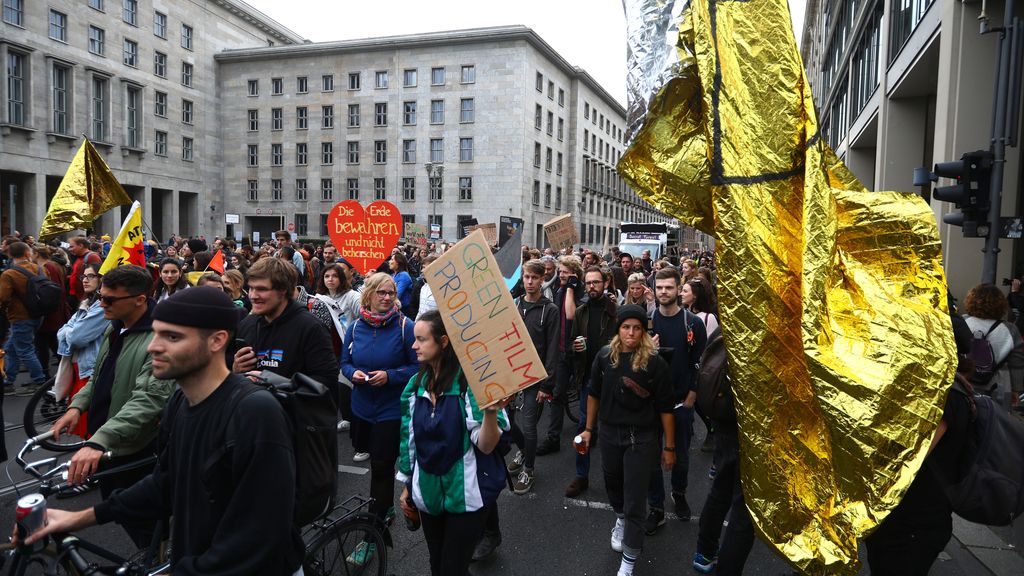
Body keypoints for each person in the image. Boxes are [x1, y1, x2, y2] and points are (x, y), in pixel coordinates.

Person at [26, 286, 304, 574]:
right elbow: (166, 483)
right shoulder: (180, 401)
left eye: (172, 336)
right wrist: (80, 519)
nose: (153, 346)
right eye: (156, 333)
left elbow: (262, 534)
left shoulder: (255, 412)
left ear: (217, 341)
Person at [49, 265, 175, 546]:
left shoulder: (159, 337)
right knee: (119, 509)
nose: (101, 303)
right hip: (106, 443)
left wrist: (98, 441)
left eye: (109, 299)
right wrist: (76, 407)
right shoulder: (114, 326)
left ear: (139, 299)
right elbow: (99, 375)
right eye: (101, 297)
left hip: (134, 448)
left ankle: (161, 560)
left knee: (144, 522)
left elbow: (149, 399)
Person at [397, 310, 510, 576]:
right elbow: (409, 441)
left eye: (421, 339)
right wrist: (407, 485)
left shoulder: (470, 383)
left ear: (444, 342)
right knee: (437, 564)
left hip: (467, 495)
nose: (414, 345)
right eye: (415, 339)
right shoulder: (415, 386)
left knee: (452, 567)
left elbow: (486, 445)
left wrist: (491, 412)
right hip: (428, 493)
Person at [861, 313, 973, 575]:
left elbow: (910, 458)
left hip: (916, 524)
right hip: (902, 520)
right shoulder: (932, 388)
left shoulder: (946, 396)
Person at [577, 305, 675, 576]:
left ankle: (628, 563)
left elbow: (667, 408)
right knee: (613, 485)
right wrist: (588, 429)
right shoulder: (605, 356)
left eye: (636, 327)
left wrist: (669, 447)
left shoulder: (655, 363)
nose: (631, 332)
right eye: (625, 327)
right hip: (609, 434)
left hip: (641, 438)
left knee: (635, 500)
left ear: (643, 331)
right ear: (618, 329)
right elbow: (593, 394)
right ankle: (619, 518)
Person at [341, 272, 418, 542]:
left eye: (391, 294)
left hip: (392, 410)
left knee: (382, 467)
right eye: (381, 293)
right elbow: (345, 362)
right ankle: (383, 509)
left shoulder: (405, 327)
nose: (387, 298)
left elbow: (418, 366)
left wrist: (390, 376)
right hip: (362, 408)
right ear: (369, 295)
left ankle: (375, 531)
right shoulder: (354, 327)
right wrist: (354, 374)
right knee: (376, 464)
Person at [645, 268, 707, 532]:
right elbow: (633, 363)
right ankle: (656, 507)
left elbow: (701, 362)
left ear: (678, 288)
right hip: (650, 402)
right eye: (659, 288)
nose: (664, 292)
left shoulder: (693, 322)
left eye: (669, 288)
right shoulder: (646, 321)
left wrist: (693, 395)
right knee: (650, 457)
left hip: (681, 403)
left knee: (680, 456)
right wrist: (649, 350)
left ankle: (678, 494)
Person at [231, 258, 337, 389]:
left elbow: (326, 383)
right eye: (251, 288)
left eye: (261, 289)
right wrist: (235, 371)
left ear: (283, 290)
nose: (253, 295)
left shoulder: (311, 327)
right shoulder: (246, 324)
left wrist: (275, 382)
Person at [565, 266, 618, 497]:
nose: (591, 287)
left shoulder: (615, 311)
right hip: (588, 380)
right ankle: (581, 475)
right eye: (588, 283)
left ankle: (614, 478)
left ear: (605, 284)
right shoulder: (580, 312)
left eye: (596, 282)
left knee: (612, 430)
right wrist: (575, 348)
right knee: (583, 429)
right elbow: (572, 343)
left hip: (613, 381)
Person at [55, 263, 109, 440]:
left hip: (91, 368)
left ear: (101, 278)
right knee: (81, 417)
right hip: (80, 366)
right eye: (83, 276)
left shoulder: (102, 306)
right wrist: (71, 332)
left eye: (91, 276)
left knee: (89, 423)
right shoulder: (88, 302)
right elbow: (63, 331)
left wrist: (70, 332)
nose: (85, 280)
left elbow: (77, 336)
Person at [537, 255, 584, 455]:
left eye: (565, 272)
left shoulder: (581, 291)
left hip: (580, 351)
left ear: (574, 274)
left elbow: (571, 314)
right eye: (561, 271)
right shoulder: (559, 290)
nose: (561, 275)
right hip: (562, 351)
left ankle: (587, 433)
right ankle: (553, 438)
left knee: (585, 393)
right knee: (556, 395)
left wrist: (572, 288)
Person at [961, 283, 1024, 407]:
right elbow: (1017, 364)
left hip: (964, 383)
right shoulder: (1010, 329)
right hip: (998, 387)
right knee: (996, 423)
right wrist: (1016, 390)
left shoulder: (962, 322)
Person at [0, 242, 50, 394]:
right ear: (27, 253)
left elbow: (3, 297)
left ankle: (39, 380)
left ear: (10, 255)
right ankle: (9, 380)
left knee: (24, 349)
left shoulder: (9, 274)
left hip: (20, 316)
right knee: (11, 348)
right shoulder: (39, 268)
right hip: (38, 313)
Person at [33, 245, 70, 378]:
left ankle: (47, 374)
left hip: (50, 312)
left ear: (36, 254)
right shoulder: (53, 265)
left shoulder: (48, 267)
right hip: (55, 310)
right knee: (53, 343)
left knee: (46, 343)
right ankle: (57, 373)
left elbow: (51, 291)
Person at [68, 236, 102, 307]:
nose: (70, 249)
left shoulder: (92, 257)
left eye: (72, 246)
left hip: (83, 298)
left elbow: (97, 278)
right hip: (76, 297)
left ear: (81, 245)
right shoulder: (79, 257)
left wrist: (85, 298)